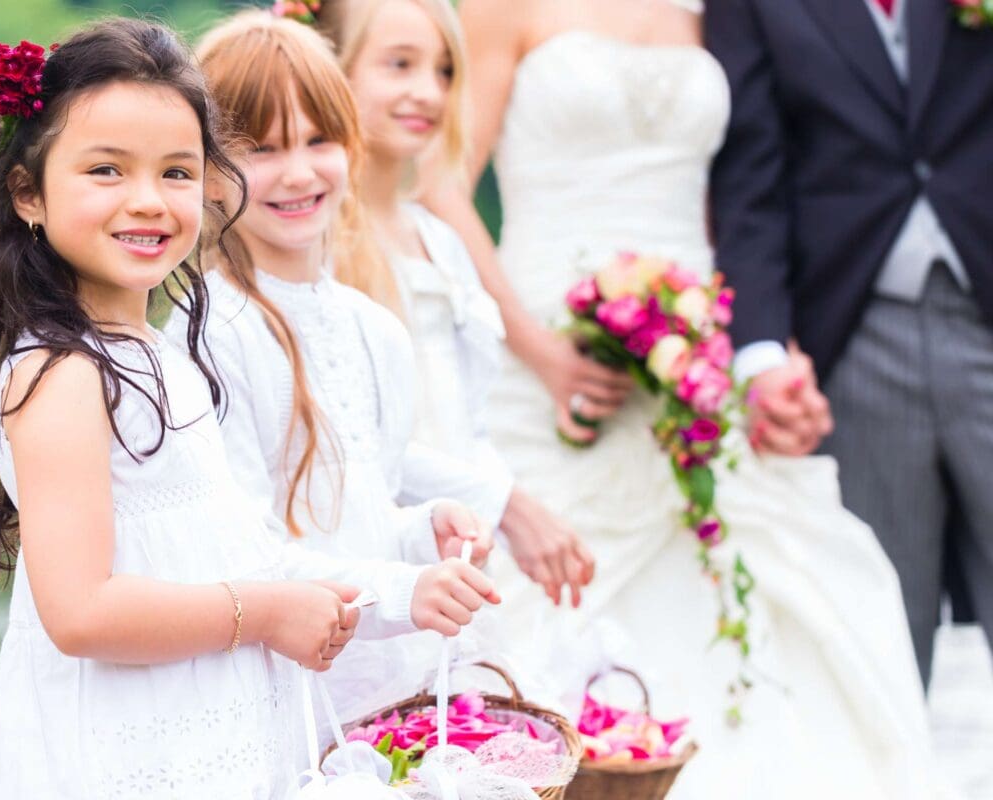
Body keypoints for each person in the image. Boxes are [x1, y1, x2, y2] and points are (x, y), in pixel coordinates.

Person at [422, 0, 947, 796]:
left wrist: (762, 352)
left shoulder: (720, 12)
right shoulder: (506, 6)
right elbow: (442, 183)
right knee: (542, 600)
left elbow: (744, 196)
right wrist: (540, 351)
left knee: (771, 588)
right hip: (547, 346)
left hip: (699, 350)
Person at [0, 20, 361, 797]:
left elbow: (215, 548)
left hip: (207, 736)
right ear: (28, 194)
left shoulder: (163, 355)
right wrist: (267, 612)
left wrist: (367, 596)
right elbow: (80, 613)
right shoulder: (60, 370)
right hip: (128, 754)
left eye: (177, 173)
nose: (147, 201)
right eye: (106, 170)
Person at [168, 10, 501, 733]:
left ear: (352, 144)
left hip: (387, 691)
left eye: (318, 141)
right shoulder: (211, 332)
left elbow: (365, 509)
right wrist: (403, 590)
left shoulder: (375, 329)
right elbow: (241, 550)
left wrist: (422, 533)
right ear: (208, 172)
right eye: (261, 149)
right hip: (283, 695)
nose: (297, 172)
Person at [705, 0, 993, 688]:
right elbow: (750, 179)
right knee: (884, 628)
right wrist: (764, 353)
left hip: (982, 301)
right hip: (856, 337)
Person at [315, 0, 596, 609]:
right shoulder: (322, 242)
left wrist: (502, 503)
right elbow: (357, 436)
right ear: (333, 71)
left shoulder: (438, 240)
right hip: (390, 552)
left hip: (471, 532)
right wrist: (505, 504)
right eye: (400, 65)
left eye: (444, 71)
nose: (428, 92)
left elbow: (471, 415)